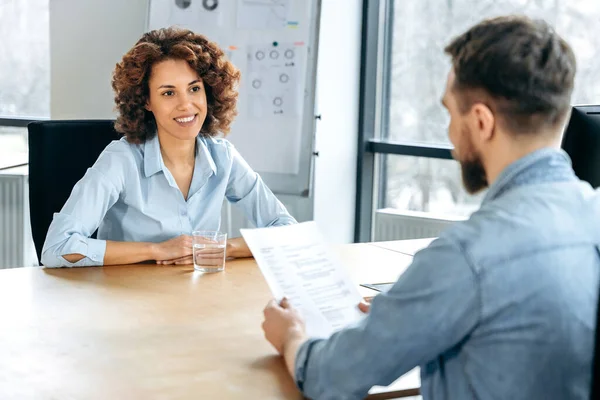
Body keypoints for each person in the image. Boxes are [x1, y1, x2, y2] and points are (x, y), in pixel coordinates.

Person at [262, 15, 600, 399]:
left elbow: (329, 377)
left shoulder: (468, 255)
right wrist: (411, 309)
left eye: (450, 113)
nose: (450, 133)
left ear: (481, 122)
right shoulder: (592, 217)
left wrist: (291, 335)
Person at [42, 27, 296, 268]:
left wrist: (220, 248)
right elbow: (56, 247)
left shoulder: (223, 156)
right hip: (127, 300)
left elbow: (287, 230)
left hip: (198, 295)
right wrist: (156, 250)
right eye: (168, 93)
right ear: (146, 101)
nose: (186, 105)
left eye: (194, 89)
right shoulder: (121, 160)